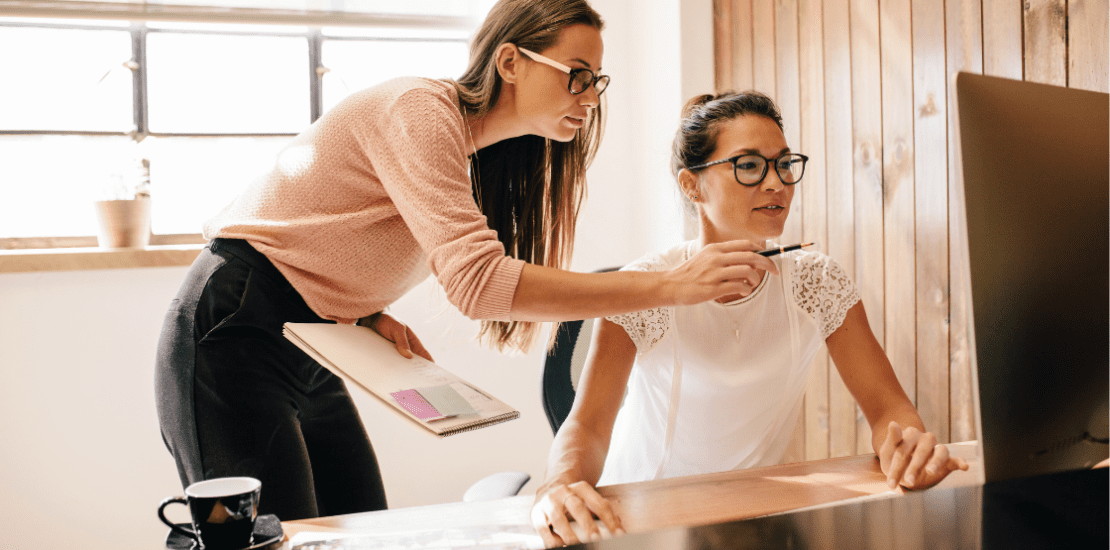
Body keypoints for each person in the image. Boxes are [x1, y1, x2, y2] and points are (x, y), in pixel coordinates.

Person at [154, 0, 778, 522]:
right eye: (576, 73)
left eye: (597, 80)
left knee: (360, 527)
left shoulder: (477, 155)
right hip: (232, 330)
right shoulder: (420, 111)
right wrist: (668, 286)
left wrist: (366, 311)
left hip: (317, 340)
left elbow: (335, 225)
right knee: (264, 535)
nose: (590, 96)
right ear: (510, 61)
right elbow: (480, 285)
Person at [530, 91, 970, 546]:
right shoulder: (644, 286)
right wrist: (559, 484)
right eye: (748, 165)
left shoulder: (817, 283)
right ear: (692, 185)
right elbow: (587, 426)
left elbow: (888, 407)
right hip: (640, 518)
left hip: (751, 518)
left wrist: (907, 446)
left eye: (783, 163)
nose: (776, 183)